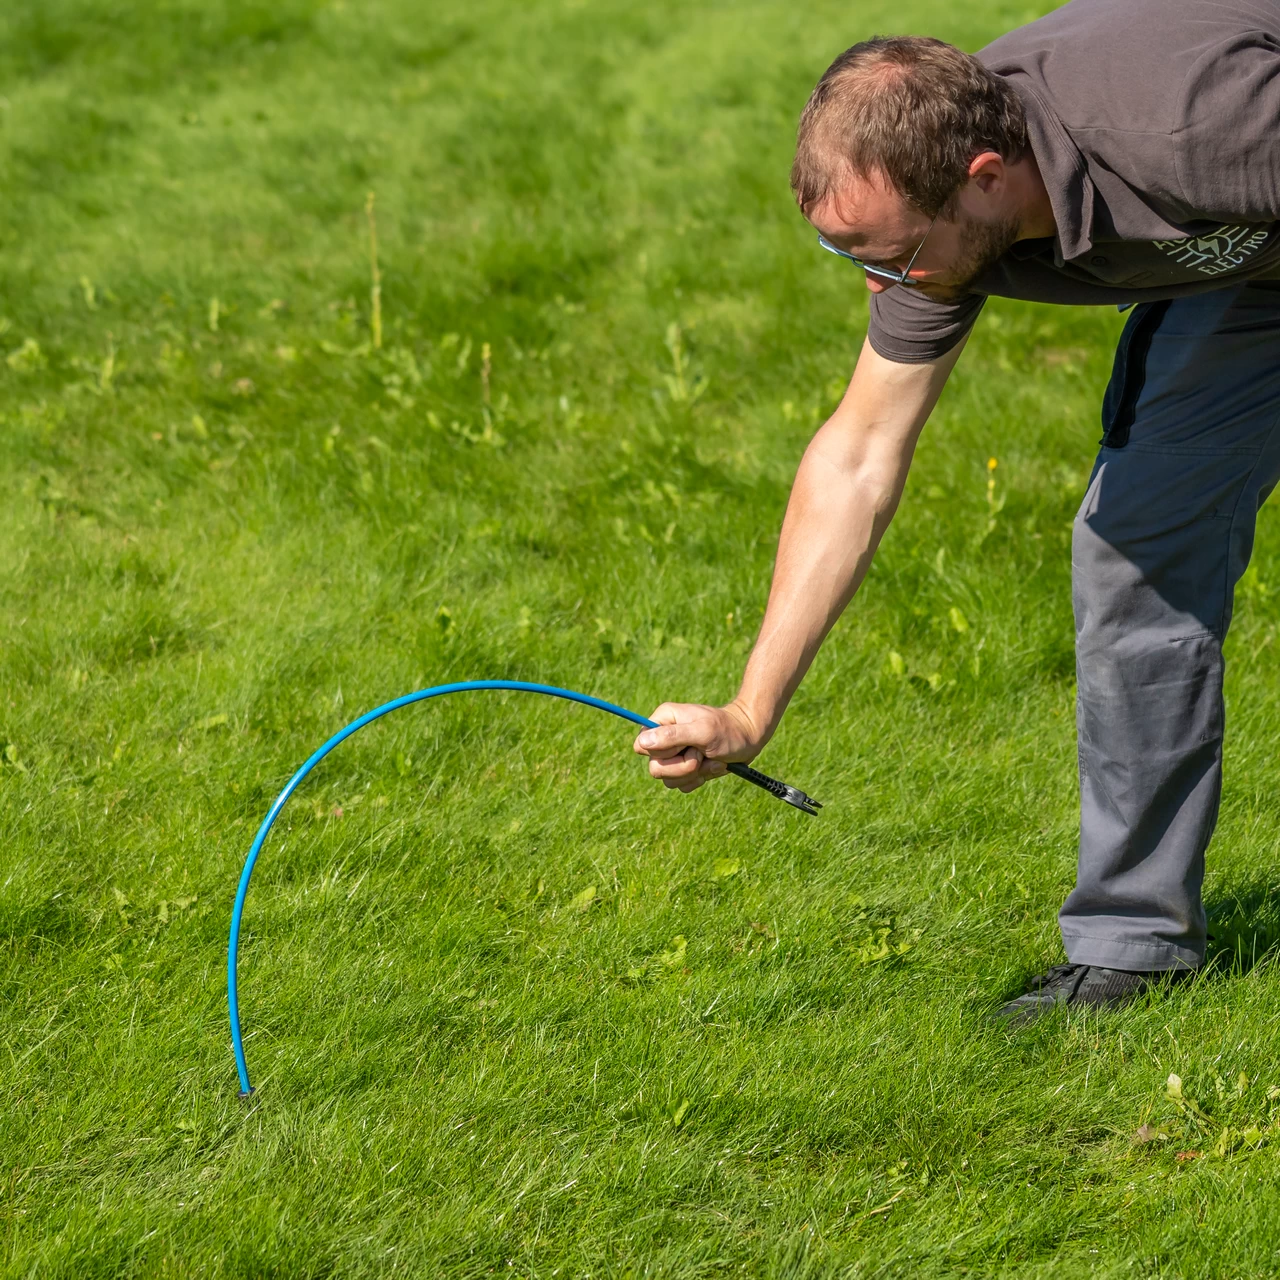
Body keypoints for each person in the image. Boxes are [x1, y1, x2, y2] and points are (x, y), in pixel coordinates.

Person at [632, 0, 1280, 1023]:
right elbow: (858, 452)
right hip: (1241, 271)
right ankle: (1134, 946)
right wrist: (750, 708)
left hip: (1235, 197)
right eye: (850, 256)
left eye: (890, 258)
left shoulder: (1199, 123)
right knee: (1134, 549)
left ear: (984, 177)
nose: (879, 284)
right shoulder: (927, 208)